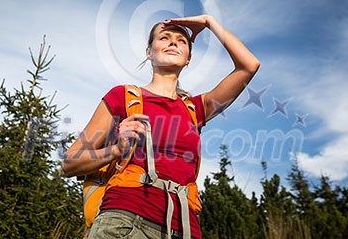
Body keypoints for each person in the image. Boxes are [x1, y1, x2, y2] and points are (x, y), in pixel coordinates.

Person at [62, 14, 260, 239]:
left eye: (181, 40)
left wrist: (209, 22)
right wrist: (116, 150)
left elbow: (249, 66)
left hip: (185, 228)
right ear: (149, 53)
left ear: (188, 59)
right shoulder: (122, 96)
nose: (173, 42)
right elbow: (70, 163)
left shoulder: (196, 109)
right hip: (125, 219)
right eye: (164, 37)